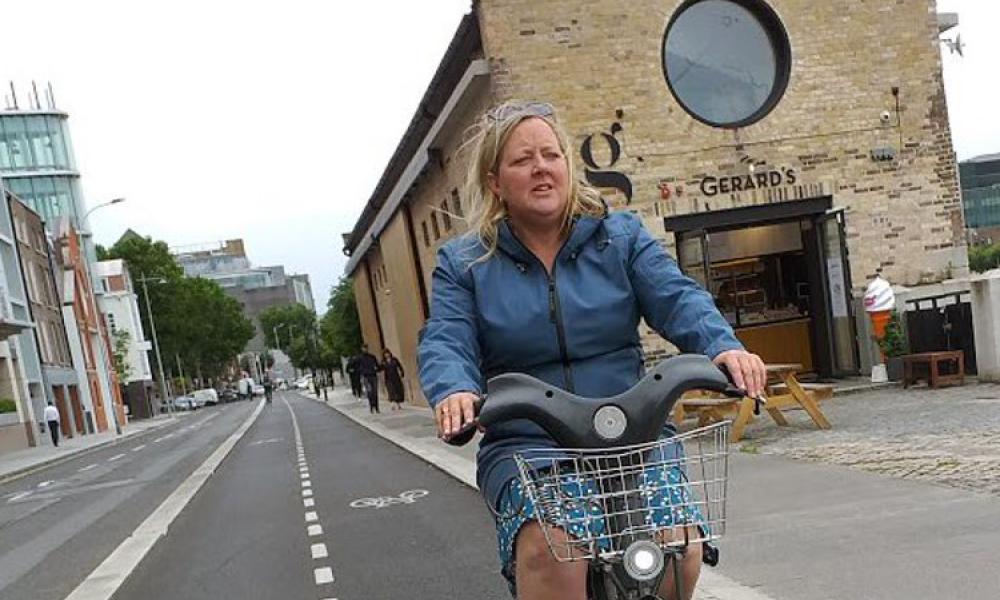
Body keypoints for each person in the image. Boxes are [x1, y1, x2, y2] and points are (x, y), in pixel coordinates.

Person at [418, 100, 767, 600]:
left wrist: (722, 347)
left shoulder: (619, 237)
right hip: (530, 445)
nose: (541, 167)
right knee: (553, 549)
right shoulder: (465, 262)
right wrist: (454, 389)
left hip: (631, 431)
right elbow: (447, 336)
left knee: (678, 548)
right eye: (522, 160)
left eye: (551, 154)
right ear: (496, 182)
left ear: (567, 164)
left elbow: (677, 297)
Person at [357, 345, 381, 414]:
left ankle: (377, 407)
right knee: (369, 392)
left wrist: (377, 368)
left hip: (373, 375)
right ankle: (371, 407)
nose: (365, 350)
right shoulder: (360, 358)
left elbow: (377, 366)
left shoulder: (372, 357)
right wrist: (362, 372)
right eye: (363, 348)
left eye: (366, 348)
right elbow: (358, 367)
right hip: (366, 377)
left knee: (375, 392)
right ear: (362, 349)